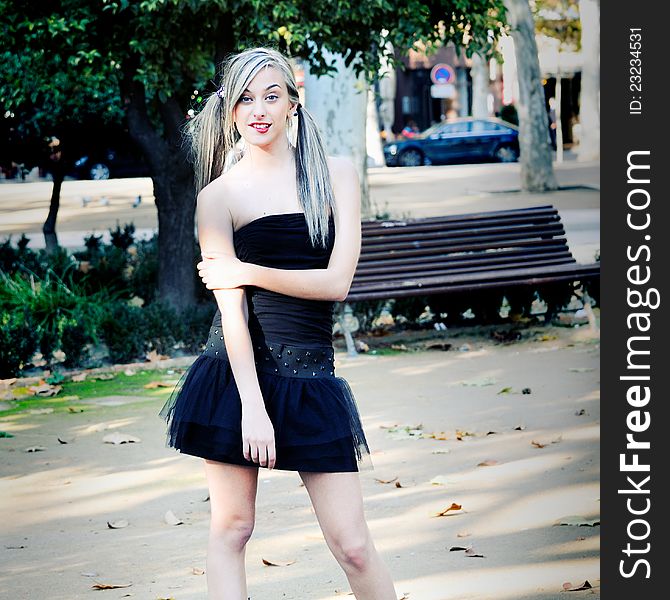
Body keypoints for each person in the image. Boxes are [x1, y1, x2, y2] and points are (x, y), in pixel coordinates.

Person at [158, 46, 398, 600]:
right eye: (245, 98)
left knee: (353, 544)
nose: (259, 109)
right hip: (235, 377)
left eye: (272, 94)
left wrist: (245, 268)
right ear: (230, 110)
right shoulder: (218, 197)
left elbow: (337, 283)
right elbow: (231, 311)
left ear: (294, 100)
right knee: (233, 528)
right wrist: (253, 408)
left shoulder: (335, 174)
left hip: (312, 376)